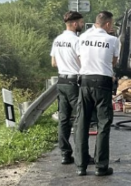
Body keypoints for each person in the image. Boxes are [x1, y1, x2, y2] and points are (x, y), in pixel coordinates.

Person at [75, 11, 120, 176]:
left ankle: (81, 165)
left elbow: (79, 59)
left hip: (85, 82)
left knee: (82, 123)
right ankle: (101, 166)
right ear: (107, 24)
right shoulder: (113, 40)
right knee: (103, 124)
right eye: (112, 24)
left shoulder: (82, 38)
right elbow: (113, 62)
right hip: (103, 83)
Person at [50, 11, 84, 165]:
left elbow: (54, 63)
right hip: (74, 83)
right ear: (75, 23)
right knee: (79, 119)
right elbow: (83, 61)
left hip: (61, 81)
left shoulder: (57, 40)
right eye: (81, 22)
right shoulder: (77, 41)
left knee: (63, 119)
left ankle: (65, 154)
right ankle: (80, 155)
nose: (82, 25)